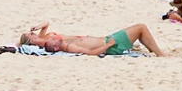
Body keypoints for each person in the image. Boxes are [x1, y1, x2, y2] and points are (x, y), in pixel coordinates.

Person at [19, 22, 168, 57]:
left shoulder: (45, 38)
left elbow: (46, 23)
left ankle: (152, 49)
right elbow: (90, 53)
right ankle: (159, 53)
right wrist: (109, 44)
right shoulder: (50, 42)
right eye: (30, 35)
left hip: (108, 40)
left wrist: (36, 27)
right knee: (141, 27)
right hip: (110, 43)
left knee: (140, 29)